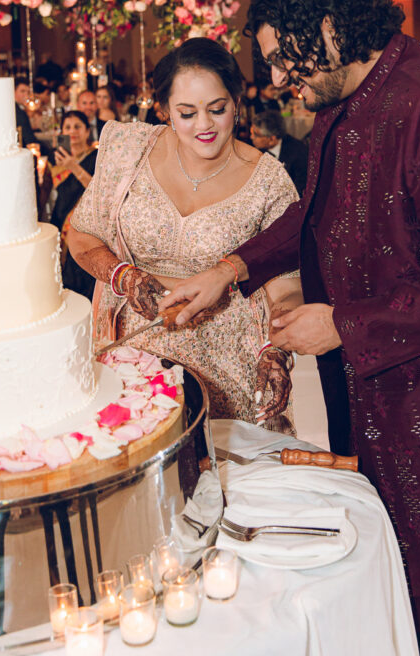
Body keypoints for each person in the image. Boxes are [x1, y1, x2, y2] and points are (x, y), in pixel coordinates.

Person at [162, 0, 420, 656]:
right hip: (380, 396)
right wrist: (231, 268)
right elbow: (321, 213)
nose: (276, 80)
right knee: (392, 584)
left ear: (331, 30)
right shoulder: (349, 101)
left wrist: (340, 323)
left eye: (284, 59)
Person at [67, 38, 303, 426]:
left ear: (236, 104)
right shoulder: (131, 153)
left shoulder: (268, 181)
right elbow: (81, 235)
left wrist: (275, 350)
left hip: (228, 362)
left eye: (217, 109)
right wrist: (124, 277)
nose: (204, 125)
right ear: (165, 112)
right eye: (187, 113)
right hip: (137, 356)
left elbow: (287, 285)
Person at [50, 111, 97, 300]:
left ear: (87, 131)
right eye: (67, 127)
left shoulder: (97, 157)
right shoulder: (58, 162)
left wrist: (74, 166)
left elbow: (98, 191)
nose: (72, 131)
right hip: (63, 226)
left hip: (87, 228)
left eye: (77, 126)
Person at [249, 109, 308, 196]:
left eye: (256, 134)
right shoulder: (253, 148)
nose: (251, 137)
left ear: (272, 139)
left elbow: (297, 190)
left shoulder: (299, 153)